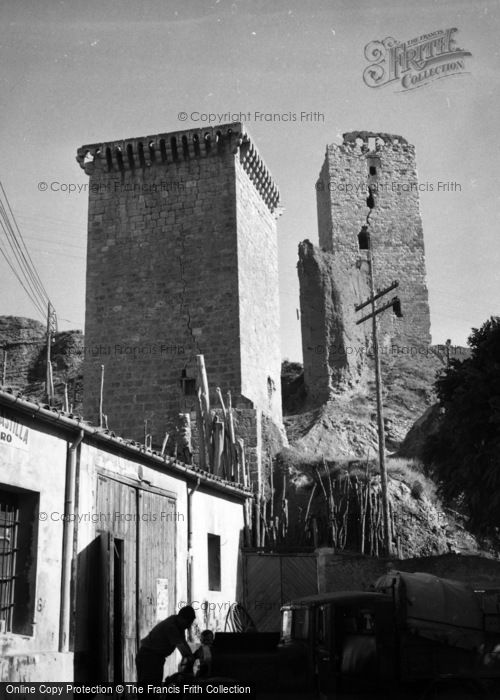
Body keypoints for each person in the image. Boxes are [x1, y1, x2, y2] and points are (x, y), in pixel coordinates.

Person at [136, 605, 196, 683]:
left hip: (155, 658)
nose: (189, 626)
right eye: (188, 623)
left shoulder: (179, 625)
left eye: (190, 623)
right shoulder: (171, 626)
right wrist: (193, 660)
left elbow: (184, 643)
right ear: (181, 618)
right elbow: (183, 649)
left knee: (153, 687)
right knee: (148, 688)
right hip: (149, 657)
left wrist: (191, 657)